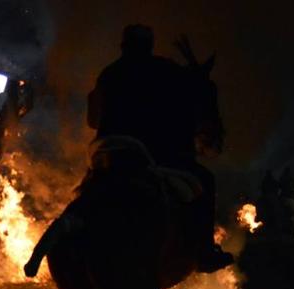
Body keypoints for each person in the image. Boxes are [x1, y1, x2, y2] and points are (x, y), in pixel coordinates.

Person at [86, 24, 232, 272]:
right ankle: (205, 253)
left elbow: (92, 121)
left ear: (124, 46)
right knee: (205, 180)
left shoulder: (108, 73)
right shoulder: (163, 69)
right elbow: (191, 94)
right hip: (149, 154)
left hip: (106, 157)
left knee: (86, 193)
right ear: (149, 46)